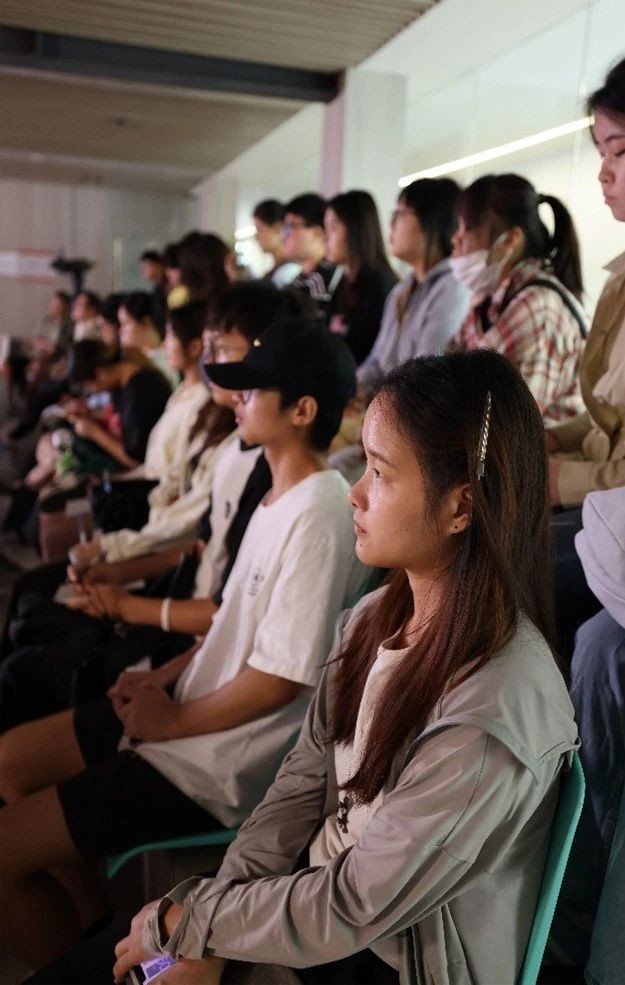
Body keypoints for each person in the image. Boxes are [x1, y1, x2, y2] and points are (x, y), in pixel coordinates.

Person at [45, 348, 576, 985]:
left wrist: (196, 922)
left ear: (461, 508)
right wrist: (207, 926)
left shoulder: (493, 714)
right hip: (306, 906)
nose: (355, 492)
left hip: (380, 957)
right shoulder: (376, 616)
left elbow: (355, 904)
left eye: (379, 473)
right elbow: (301, 782)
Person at [0, 317, 362, 973]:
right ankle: (92, 929)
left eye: (252, 389)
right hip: (188, 718)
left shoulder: (320, 509)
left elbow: (280, 678)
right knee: (11, 762)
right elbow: (232, 628)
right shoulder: (278, 496)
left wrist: (172, 719)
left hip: (216, 761)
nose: (235, 399)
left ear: (303, 410)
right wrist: (161, 678)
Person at [448, 173, 587, 427]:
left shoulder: (537, 306)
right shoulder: (490, 299)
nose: (455, 239)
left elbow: (509, 427)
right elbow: (448, 370)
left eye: (467, 228)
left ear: (511, 239)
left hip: (531, 450)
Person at [548, 57, 625, 508]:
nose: (604, 172)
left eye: (620, 151)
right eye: (601, 154)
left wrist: (560, 480)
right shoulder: (618, 282)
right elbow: (608, 420)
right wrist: (554, 440)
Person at [357, 178, 470, 395]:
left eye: (399, 214)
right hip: (391, 402)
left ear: (431, 221)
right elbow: (377, 361)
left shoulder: (452, 289)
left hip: (414, 408)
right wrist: (350, 390)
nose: (391, 225)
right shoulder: (402, 290)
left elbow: (426, 375)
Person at [324, 190, 398, 365]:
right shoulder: (343, 282)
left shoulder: (381, 286)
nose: (326, 237)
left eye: (333, 228)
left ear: (356, 230)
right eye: (325, 228)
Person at [283, 193, 343, 322]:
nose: (284, 235)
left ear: (317, 233)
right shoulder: (300, 278)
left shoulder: (326, 282)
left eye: (291, 226)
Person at [118, 291, 178, 388]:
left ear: (146, 321)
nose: (121, 330)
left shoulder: (169, 358)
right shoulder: (133, 359)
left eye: (125, 323)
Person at [252, 199, 300, 287]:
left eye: (259, 229)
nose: (256, 237)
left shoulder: (290, 273)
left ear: (277, 228)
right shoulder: (273, 273)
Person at [139, 249, 168, 333]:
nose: (142, 271)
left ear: (158, 265)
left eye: (145, 267)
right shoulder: (157, 289)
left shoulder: (169, 286)